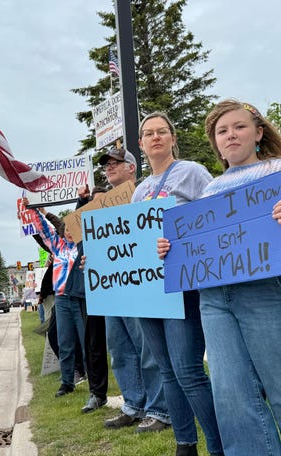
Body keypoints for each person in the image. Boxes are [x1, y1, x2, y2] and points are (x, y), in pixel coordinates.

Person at [159, 100, 281, 456]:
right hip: (213, 299)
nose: (230, 135)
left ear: (259, 133)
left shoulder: (279, 172)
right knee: (231, 395)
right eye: (221, 131)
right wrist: (171, 248)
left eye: (239, 127)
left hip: (264, 292)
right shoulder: (209, 191)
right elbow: (197, 244)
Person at [134, 112, 223, 456]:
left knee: (188, 371)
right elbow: (130, 242)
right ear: (141, 144)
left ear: (172, 138)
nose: (155, 137)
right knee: (167, 372)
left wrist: (180, 243)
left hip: (182, 287)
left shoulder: (192, 173)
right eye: (148, 134)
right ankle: (185, 444)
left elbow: (214, 218)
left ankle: (218, 444)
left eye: (161, 132)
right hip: (144, 292)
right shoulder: (140, 190)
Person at [97, 147, 171, 432]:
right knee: (119, 348)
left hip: (141, 284)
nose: (110, 167)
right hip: (112, 288)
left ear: (132, 168)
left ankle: (159, 409)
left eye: (117, 163)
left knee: (147, 349)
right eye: (107, 165)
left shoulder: (146, 195)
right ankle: (133, 405)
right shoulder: (100, 206)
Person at [27, 204, 85, 397]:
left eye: (72, 229)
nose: (69, 232)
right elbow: (43, 228)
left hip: (80, 299)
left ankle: (93, 379)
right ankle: (67, 382)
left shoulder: (83, 248)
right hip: (61, 299)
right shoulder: (58, 247)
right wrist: (33, 209)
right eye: (66, 229)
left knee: (86, 341)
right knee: (64, 341)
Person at [65, 185, 110, 413]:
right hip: (90, 291)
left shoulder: (119, 224)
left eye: (105, 203)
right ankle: (97, 393)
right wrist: (81, 201)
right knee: (93, 344)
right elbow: (75, 222)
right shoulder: (86, 228)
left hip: (120, 289)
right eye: (95, 203)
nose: (100, 207)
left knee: (126, 346)